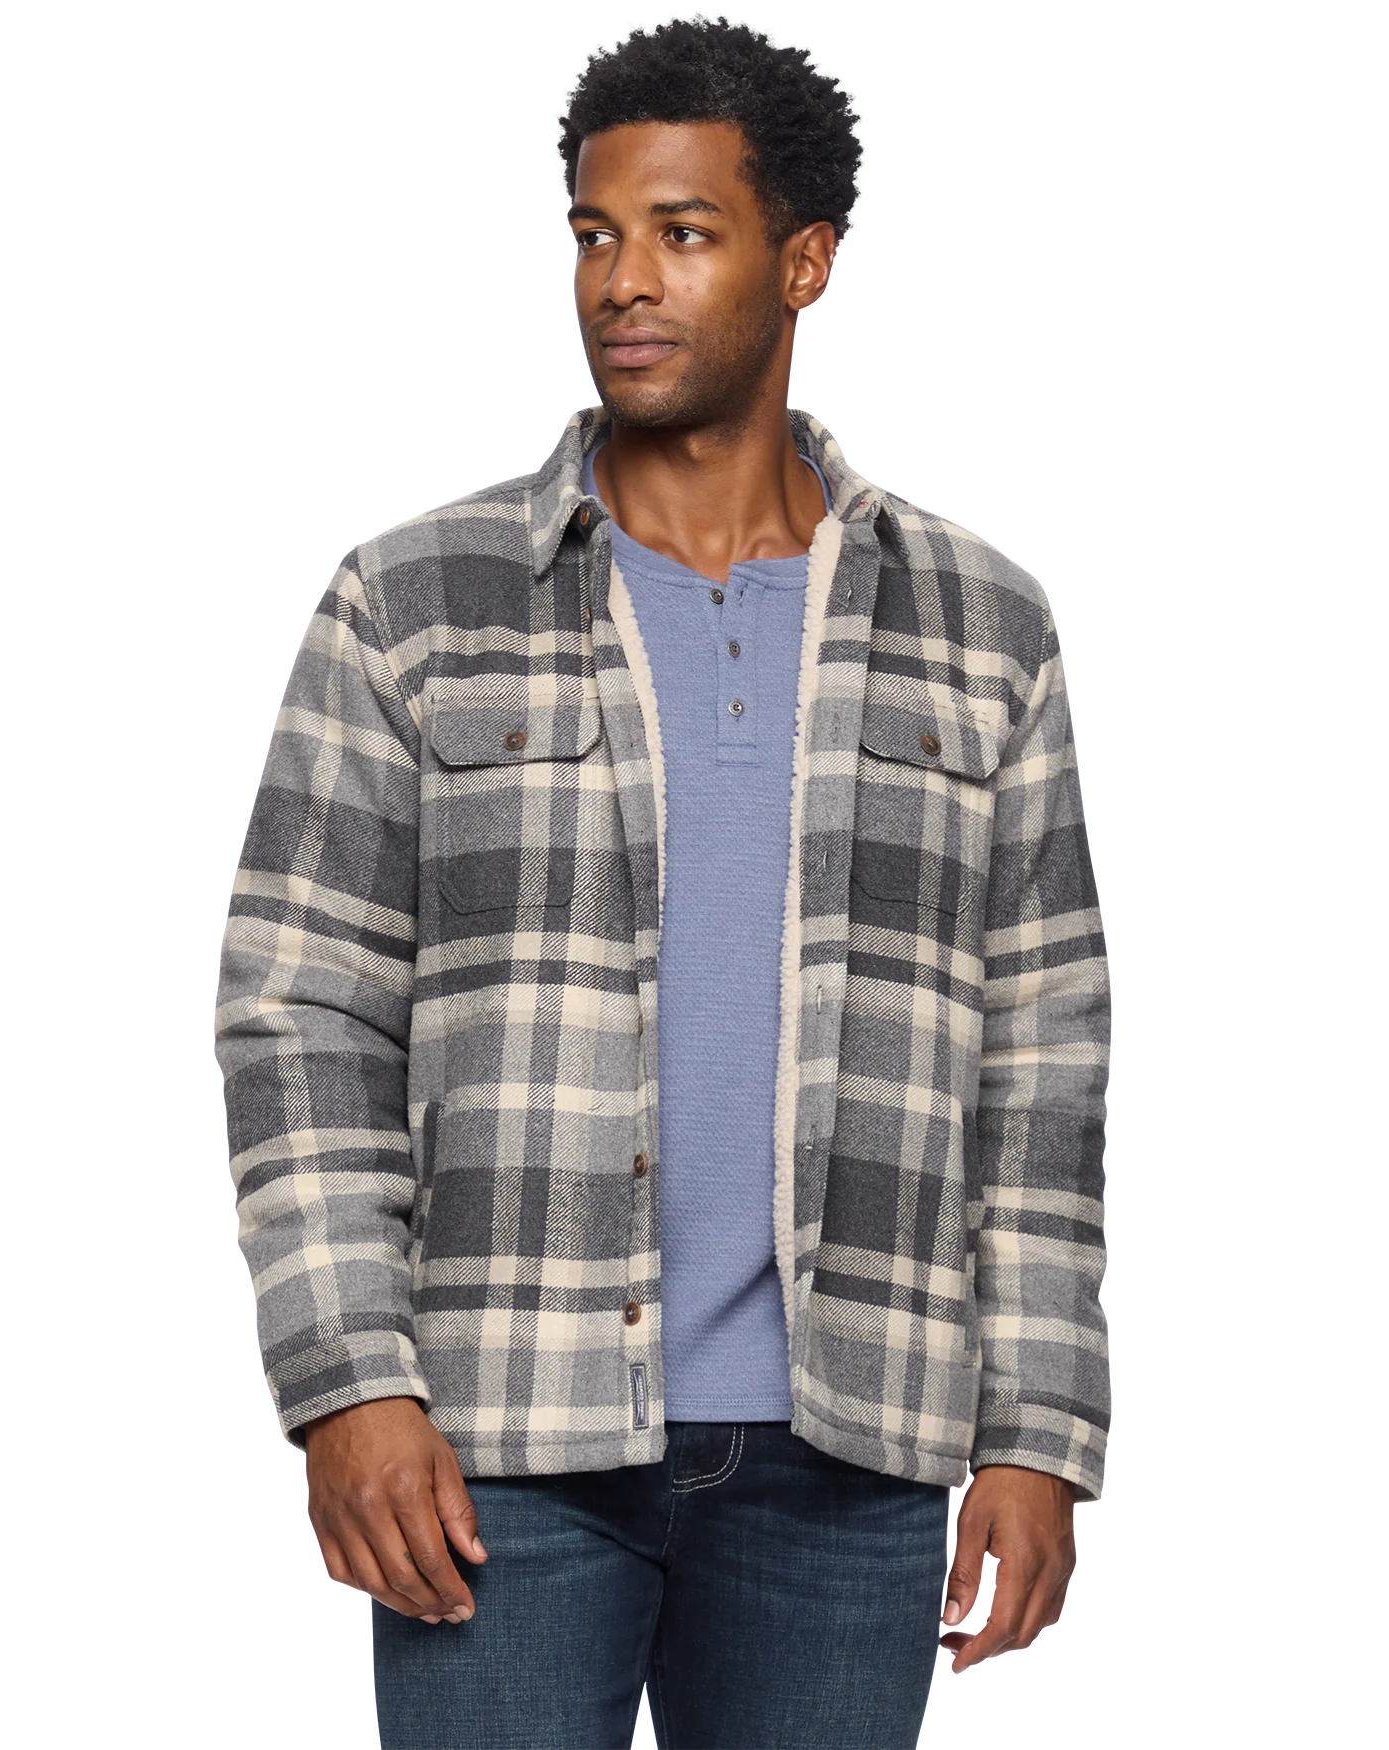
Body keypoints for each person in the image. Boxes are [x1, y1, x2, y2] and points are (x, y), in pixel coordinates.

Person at [213, 15, 1113, 1749]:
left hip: (857, 1447)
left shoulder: (984, 630)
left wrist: (1038, 1431)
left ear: (806, 262)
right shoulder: (412, 603)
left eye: (682, 233)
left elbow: (1044, 1063)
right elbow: (298, 1014)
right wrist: (344, 1384)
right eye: (594, 233)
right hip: (499, 1441)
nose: (621, 280)